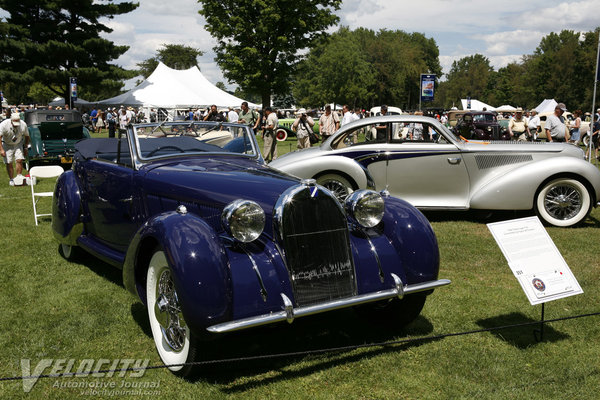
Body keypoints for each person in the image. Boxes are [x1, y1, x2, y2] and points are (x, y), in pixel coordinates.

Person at [0, 113, 29, 186]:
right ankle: (11, 179)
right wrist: (1, 149)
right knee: (9, 162)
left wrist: (25, 147)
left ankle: (19, 176)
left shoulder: (23, 124)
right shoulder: (3, 124)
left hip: (18, 144)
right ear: (11, 120)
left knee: (19, 160)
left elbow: (27, 136)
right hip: (6, 144)